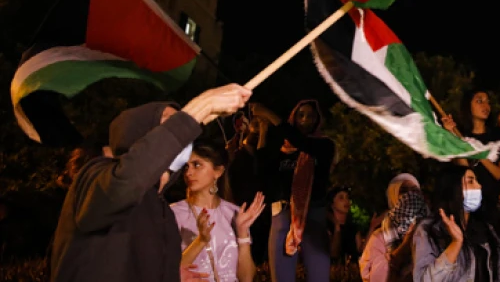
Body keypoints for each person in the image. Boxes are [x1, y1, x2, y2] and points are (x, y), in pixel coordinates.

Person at [49, 83, 252, 282]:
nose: (182, 133)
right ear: (140, 138)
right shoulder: (95, 178)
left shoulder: (161, 212)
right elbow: (126, 182)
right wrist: (202, 105)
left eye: (178, 122)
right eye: (169, 121)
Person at [252, 100, 336, 282]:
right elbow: (262, 171)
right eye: (301, 114)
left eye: (311, 116)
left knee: (319, 276)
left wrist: (268, 113)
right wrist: (263, 130)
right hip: (282, 217)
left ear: (317, 120)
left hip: (313, 215)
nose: (305, 119)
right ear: (294, 118)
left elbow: (299, 141)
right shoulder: (282, 149)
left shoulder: (323, 146)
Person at [411, 166, 500, 281]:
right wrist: (455, 244)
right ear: (454, 188)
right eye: (471, 182)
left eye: (477, 181)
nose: (479, 186)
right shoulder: (429, 230)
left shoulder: (485, 229)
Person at [171, 140, 266, 282]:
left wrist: (243, 234)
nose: (189, 172)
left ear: (218, 171)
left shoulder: (234, 213)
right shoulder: (174, 214)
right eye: (186, 167)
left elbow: (246, 278)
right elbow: (167, 272)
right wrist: (201, 241)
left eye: (197, 165)